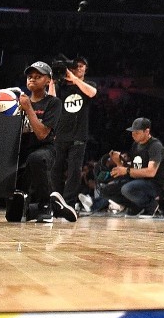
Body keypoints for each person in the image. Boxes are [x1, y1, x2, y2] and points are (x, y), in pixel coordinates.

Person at [7, 63, 73, 222]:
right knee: (13, 217)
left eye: (38, 77)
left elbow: (42, 134)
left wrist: (29, 109)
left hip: (44, 150)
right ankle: (54, 205)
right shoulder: (17, 103)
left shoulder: (53, 103)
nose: (32, 79)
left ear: (48, 81)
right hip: (22, 154)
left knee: (36, 158)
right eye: (30, 76)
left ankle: (46, 206)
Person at [47, 56, 98, 217]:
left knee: (74, 171)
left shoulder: (88, 84)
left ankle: (68, 203)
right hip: (60, 134)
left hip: (78, 135)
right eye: (77, 66)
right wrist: (52, 81)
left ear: (86, 69)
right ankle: (55, 203)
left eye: (83, 66)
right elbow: (51, 101)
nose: (80, 68)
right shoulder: (61, 87)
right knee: (55, 170)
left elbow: (92, 93)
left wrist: (74, 79)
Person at [115, 118, 164, 216]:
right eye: (132, 132)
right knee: (108, 189)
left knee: (127, 189)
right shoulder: (135, 145)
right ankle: (135, 207)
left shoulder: (155, 146)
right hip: (138, 180)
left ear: (147, 131)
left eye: (137, 132)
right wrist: (118, 162)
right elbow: (134, 167)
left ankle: (151, 206)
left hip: (153, 184)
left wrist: (126, 170)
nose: (133, 135)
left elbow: (151, 172)